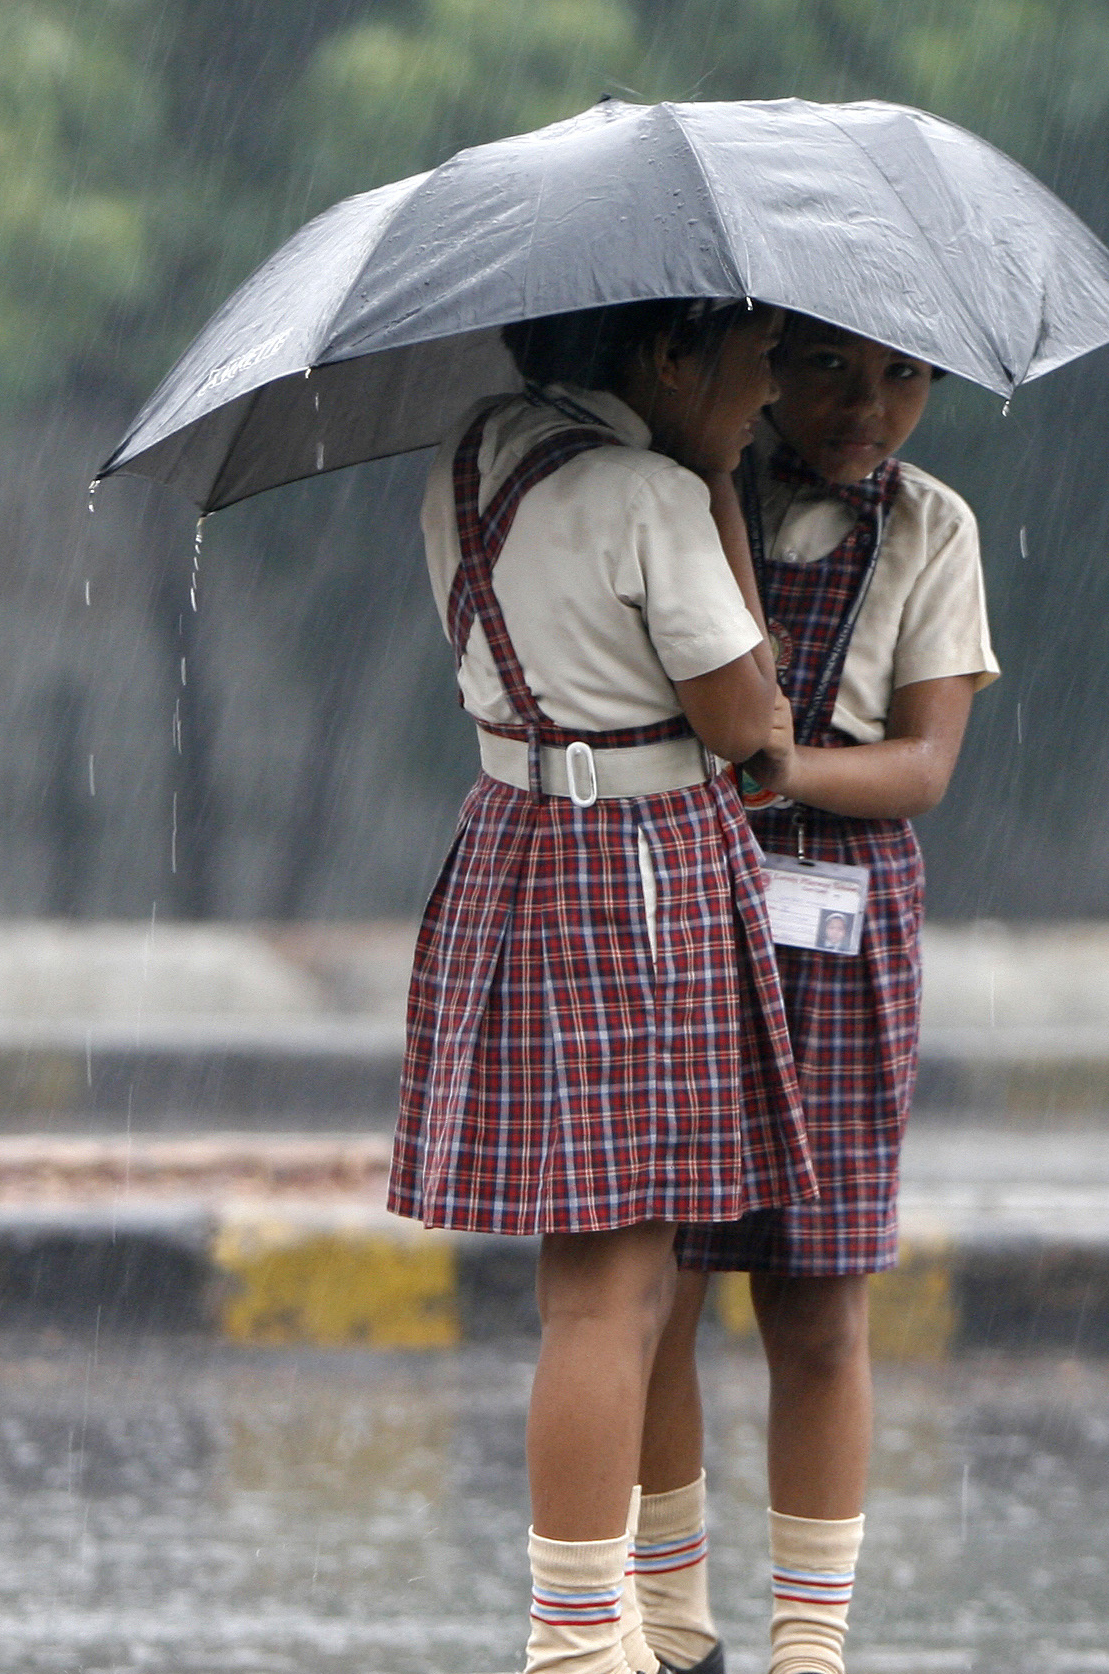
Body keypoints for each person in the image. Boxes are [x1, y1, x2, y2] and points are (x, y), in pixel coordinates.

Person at [388, 297, 814, 1674]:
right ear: (668, 353)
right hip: (634, 869)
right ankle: (577, 1643)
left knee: (629, 1284)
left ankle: (657, 1619)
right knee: (609, 1293)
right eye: (753, 366)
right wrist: (711, 506)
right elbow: (750, 725)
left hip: (520, 842)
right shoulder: (645, 493)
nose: (767, 400)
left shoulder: (470, 459)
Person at [629, 317, 998, 1674]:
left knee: (818, 1296)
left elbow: (922, 765)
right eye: (837, 369)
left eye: (904, 378)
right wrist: (718, 491)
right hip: (685, 896)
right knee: (656, 1280)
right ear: (769, 368)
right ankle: (674, 1629)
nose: (871, 406)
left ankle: (810, 1646)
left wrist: (787, 774)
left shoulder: (933, 531)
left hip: (844, 915)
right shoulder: (685, 496)